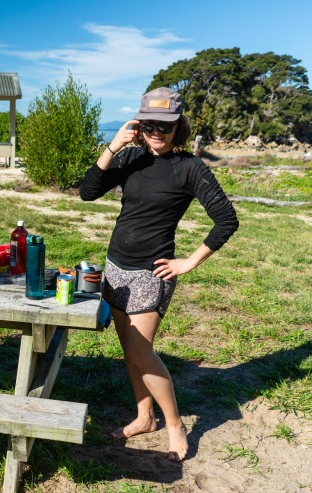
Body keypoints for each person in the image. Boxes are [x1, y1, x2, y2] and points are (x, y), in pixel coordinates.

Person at [79, 87, 239, 461]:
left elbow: (226, 220)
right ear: (139, 123)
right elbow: (87, 192)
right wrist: (113, 146)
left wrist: (188, 262)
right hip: (116, 266)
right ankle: (144, 416)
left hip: (153, 273)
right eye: (149, 124)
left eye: (165, 127)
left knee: (141, 351)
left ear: (178, 127)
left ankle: (174, 424)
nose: (156, 132)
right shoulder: (131, 157)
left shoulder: (190, 168)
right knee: (130, 352)